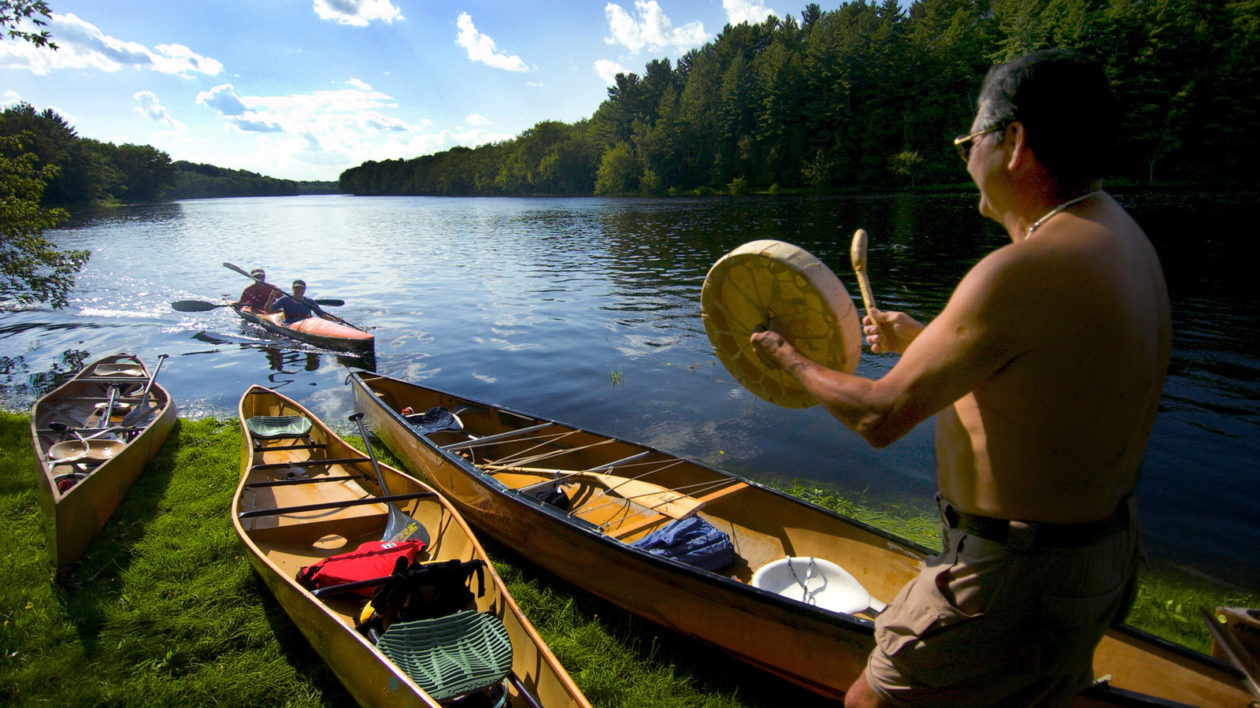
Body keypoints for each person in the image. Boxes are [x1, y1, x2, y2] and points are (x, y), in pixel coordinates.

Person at [750, 49, 1170, 707]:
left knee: (869, 701)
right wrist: (920, 339)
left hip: (1014, 574)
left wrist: (787, 356)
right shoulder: (1122, 240)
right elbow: (1044, 389)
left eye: (968, 137)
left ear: (1015, 143)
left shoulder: (1019, 271)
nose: (964, 151)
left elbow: (879, 416)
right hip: (1097, 555)